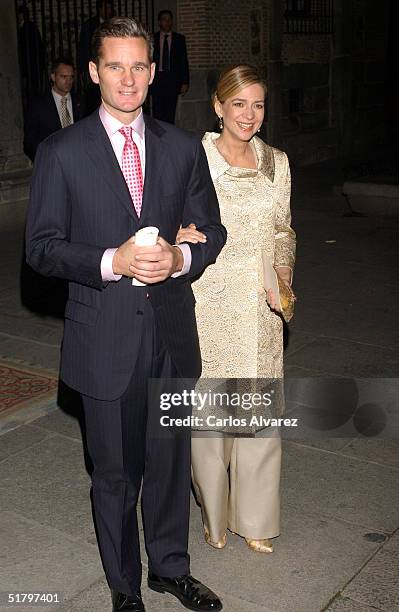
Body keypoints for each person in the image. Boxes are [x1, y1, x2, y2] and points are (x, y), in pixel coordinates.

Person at [25, 17, 226, 612]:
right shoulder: (61, 153)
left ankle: (169, 569)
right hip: (103, 338)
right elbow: (40, 248)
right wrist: (112, 259)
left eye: (140, 65)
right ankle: (124, 588)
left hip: (169, 333)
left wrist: (182, 257)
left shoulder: (183, 147)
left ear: (153, 70)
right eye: (116, 65)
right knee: (115, 477)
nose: (129, 78)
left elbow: (211, 229)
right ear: (94, 73)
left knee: (168, 465)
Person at [177, 65, 296, 554]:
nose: (249, 115)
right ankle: (215, 514)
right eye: (239, 104)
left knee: (260, 416)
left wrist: (283, 277)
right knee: (209, 420)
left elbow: (284, 231)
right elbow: (167, 218)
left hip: (261, 305)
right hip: (209, 299)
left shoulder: (278, 162)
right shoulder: (193, 158)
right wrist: (177, 236)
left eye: (259, 104)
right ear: (219, 106)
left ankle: (256, 520)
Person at [24, 58, 81, 162]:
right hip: (51, 163)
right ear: (53, 77)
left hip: (78, 160)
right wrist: (45, 160)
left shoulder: (80, 101)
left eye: (71, 77)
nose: (68, 81)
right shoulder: (38, 104)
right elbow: (30, 141)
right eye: (63, 76)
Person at [151, 10, 189, 124]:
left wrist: (185, 82)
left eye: (169, 20)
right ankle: (158, 136)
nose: (167, 22)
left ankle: (169, 135)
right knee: (157, 110)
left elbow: (183, 61)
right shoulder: (153, 38)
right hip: (157, 79)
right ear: (159, 22)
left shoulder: (179, 39)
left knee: (170, 111)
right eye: (164, 19)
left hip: (173, 79)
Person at [77, 0, 115, 115]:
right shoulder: (89, 25)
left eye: (109, 8)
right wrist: (82, 69)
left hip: (111, 66)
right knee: (94, 97)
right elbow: (83, 47)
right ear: (99, 9)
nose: (107, 11)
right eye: (105, 8)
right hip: (94, 65)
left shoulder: (115, 24)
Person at [17, 5, 45, 106]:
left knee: (33, 90)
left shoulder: (27, 27)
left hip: (32, 65)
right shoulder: (28, 27)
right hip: (33, 65)